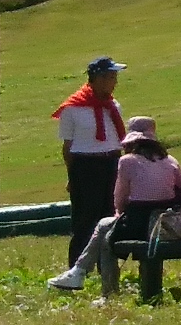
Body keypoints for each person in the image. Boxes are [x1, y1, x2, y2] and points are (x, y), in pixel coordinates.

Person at [61, 116, 181, 298]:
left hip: (140, 224)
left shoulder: (127, 162)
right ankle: (79, 271)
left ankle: (100, 286)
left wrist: (120, 214)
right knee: (106, 229)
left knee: (106, 234)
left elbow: (120, 198)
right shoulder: (169, 160)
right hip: (166, 225)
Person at [54, 57, 131, 252]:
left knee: (111, 215)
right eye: (111, 77)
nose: (115, 83)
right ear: (99, 79)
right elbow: (67, 147)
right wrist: (72, 175)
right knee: (86, 218)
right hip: (86, 164)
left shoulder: (113, 106)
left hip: (112, 161)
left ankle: (106, 261)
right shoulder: (72, 108)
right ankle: (78, 263)